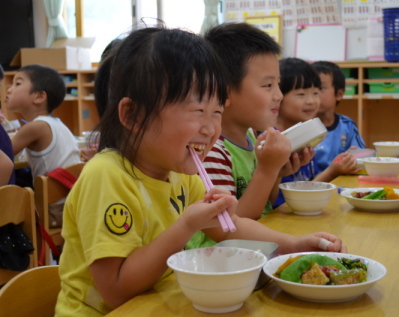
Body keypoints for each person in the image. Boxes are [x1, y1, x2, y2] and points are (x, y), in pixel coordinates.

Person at [54, 25, 346, 317]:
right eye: (197, 111)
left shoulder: (182, 173)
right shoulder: (107, 176)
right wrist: (186, 226)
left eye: (217, 112)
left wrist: (292, 245)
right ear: (133, 115)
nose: (210, 129)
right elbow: (116, 291)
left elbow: (229, 227)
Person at [201, 23, 313, 225]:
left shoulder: (250, 137)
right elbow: (231, 225)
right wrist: (267, 170)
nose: (279, 95)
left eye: (278, 84)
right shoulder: (212, 151)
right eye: (268, 85)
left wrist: (277, 172)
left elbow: (264, 206)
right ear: (224, 93)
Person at [274, 58, 358, 207]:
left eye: (315, 93)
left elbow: (310, 182)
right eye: (301, 94)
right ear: (278, 96)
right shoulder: (276, 142)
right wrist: (331, 172)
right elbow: (286, 201)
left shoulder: (305, 136)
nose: (311, 101)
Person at [5, 64, 81, 181]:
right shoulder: (56, 123)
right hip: (71, 194)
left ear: (39, 97)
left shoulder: (35, 127)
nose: (9, 89)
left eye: (18, 84)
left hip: (52, 198)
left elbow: (4, 153)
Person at [311, 61, 366, 172]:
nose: (314, 93)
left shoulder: (347, 125)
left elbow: (362, 155)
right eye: (310, 88)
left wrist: (354, 157)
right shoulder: (304, 128)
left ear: (339, 94)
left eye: (320, 88)